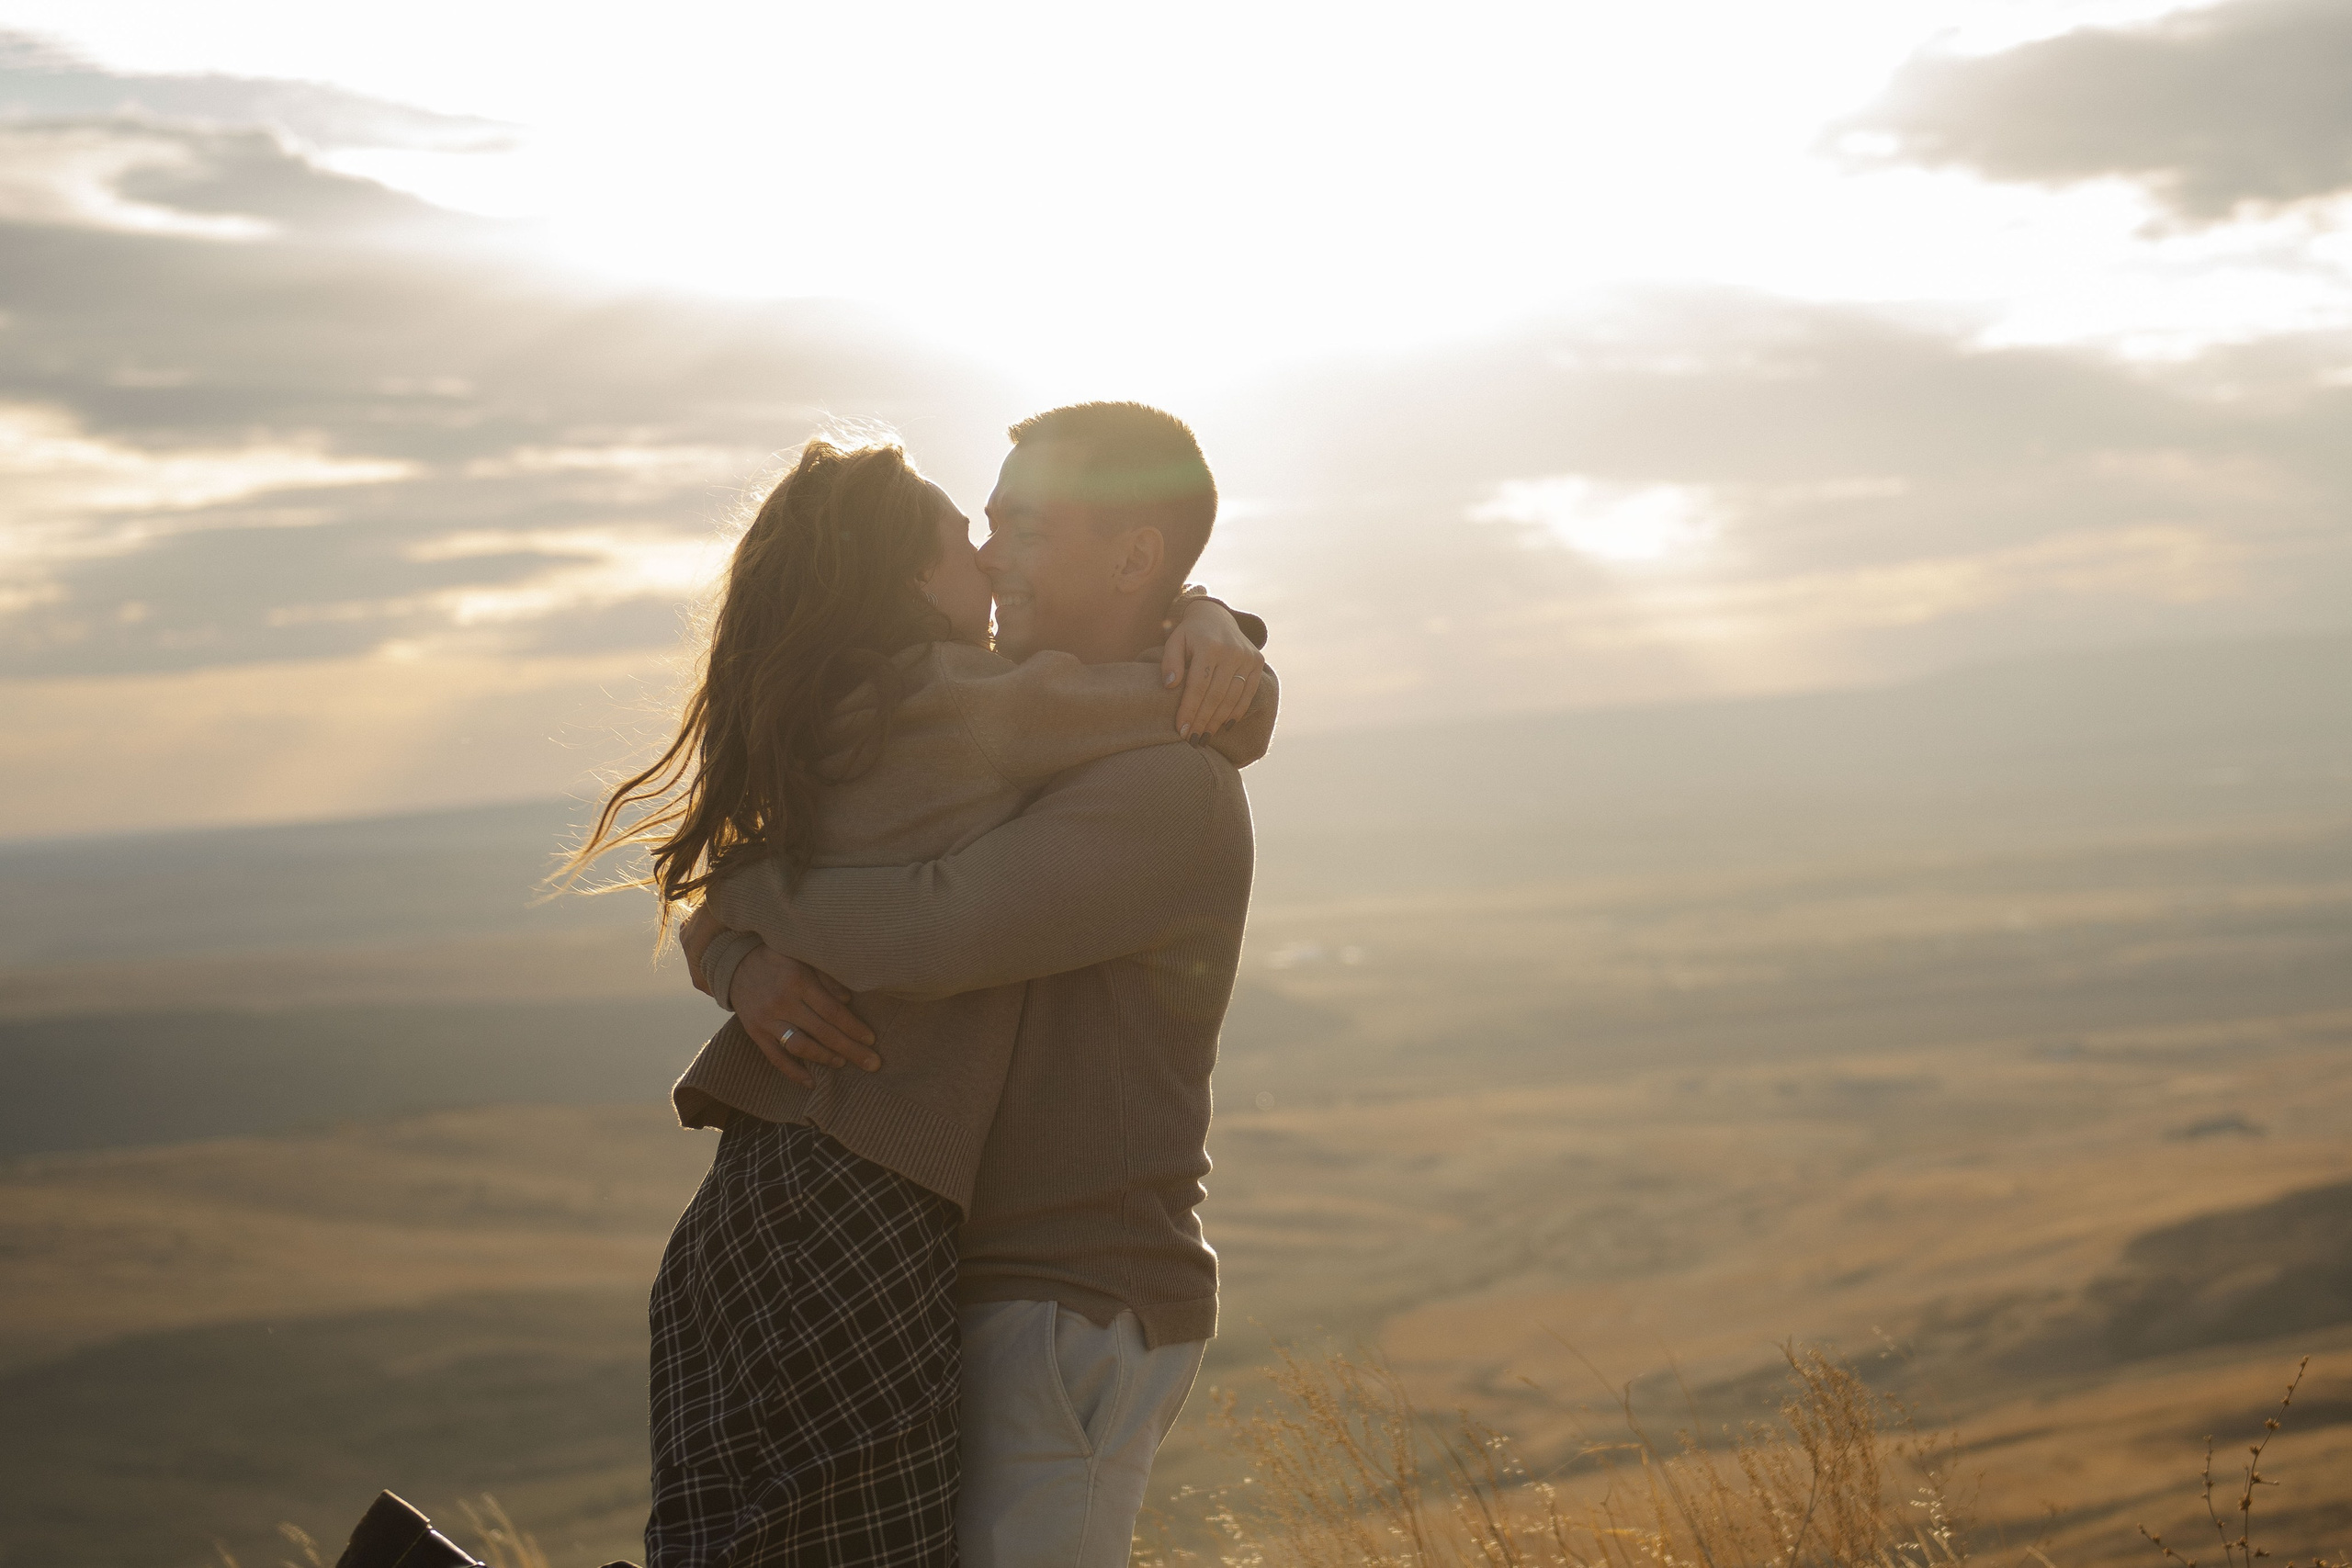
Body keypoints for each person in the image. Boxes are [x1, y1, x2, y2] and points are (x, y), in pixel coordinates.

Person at [563, 415, 1275, 1568]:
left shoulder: (1160, 784)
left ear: (1136, 558)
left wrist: (740, 902)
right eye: (980, 529)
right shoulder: (982, 723)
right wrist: (737, 949)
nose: (992, 557)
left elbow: (932, 926)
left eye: (1021, 528)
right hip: (940, 1261)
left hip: (1065, 1294)